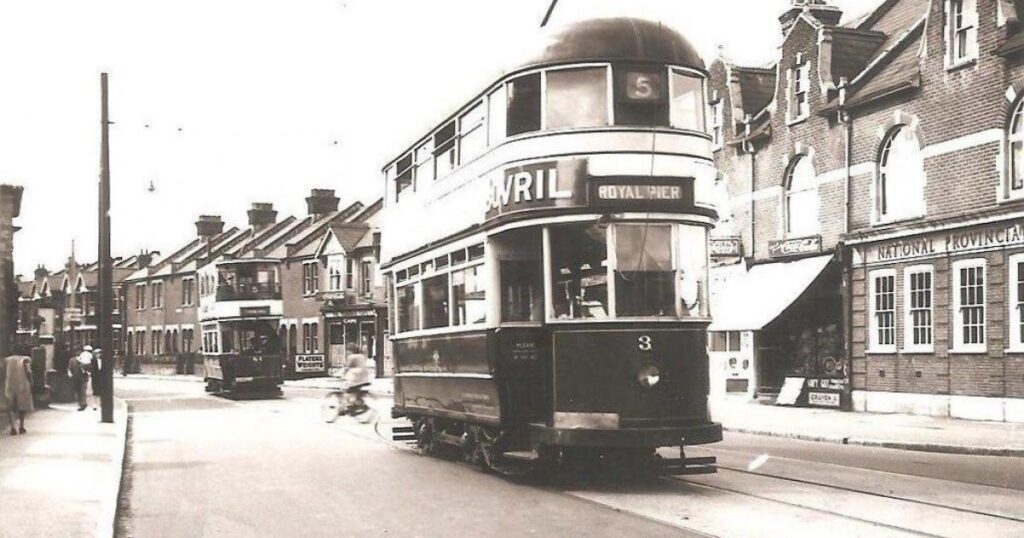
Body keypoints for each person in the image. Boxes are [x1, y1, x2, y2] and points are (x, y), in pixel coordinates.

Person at [4, 345, 35, 435]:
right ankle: (21, 426)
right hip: (22, 384)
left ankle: (13, 427)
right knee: (22, 406)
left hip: (9, 384)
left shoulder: (7, 360)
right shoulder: (26, 359)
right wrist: (31, 381)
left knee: (11, 407)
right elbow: (28, 371)